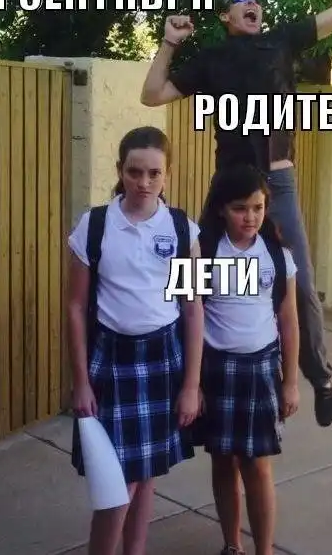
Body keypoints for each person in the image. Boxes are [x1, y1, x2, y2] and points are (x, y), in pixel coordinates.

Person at [140, 0, 332, 427]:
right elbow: (152, 95)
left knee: (299, 283)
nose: (252, 4)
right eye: (241, 0)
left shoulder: (282, 41)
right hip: (230, 182)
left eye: (255, 0)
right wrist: (169, 43)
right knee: (194, 275)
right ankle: (189, 380)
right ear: (226, 16)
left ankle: (320, 379)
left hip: (276, 182)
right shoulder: (212, 60)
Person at [67, 126, 204, 555]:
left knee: (146, 474)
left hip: (164, 359)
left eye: (154, 173)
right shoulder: (94, 226)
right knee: (115, 486)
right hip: (111, 362)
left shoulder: (183, 230)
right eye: (134, 172)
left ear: (167, 174)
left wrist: (191, 385)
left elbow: (193, 308)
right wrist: (81, 382)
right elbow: (75, 307)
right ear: (120, 170)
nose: (144, 182)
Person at [195, 164, 299, 555]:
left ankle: (263, 550)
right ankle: (231, 544)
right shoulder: (200, 252)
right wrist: (193, 384)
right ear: (221, 208)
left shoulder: (278, 255)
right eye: (240, 208)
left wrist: (290, 381)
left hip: (261, 369)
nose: (250, 217)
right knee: (223, 461)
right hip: (216, 368)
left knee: (256, 464)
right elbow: (187, 316)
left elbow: (289, 320)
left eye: (258, 207)